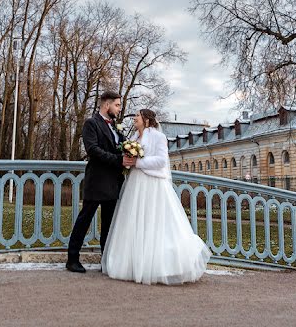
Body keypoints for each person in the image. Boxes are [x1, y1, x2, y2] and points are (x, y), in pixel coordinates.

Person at [102, 108, 210, 284]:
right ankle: (133, 264)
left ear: (146, 119)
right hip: (135, 184)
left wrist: (138, 162)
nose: (134, 118)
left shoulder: (159, 137)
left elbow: (161, 160)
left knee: (156, 222)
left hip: (153, 185)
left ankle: (161, 265)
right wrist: (128, 162)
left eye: (137, 116)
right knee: (134, 222)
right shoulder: (134, 139)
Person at [65, 91, 133, 273]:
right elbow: (93, 150)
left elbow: (124, 146)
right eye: (117, 105)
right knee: (84, 219)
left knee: (109, 224)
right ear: (106, 105)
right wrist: (119, 160)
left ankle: (106, 261)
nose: (119, 109)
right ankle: (72, 259)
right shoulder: (91, 123)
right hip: (97, 180)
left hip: (114, 182)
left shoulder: (116, 127)